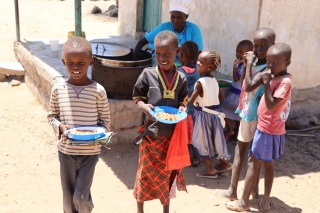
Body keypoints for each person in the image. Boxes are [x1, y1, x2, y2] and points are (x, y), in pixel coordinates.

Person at [226, 42, 292, 212]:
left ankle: (244, 202)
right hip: (267, 127)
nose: (270, 65)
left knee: (254, 164)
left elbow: (271, 105)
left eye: (275, 62)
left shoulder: (283, 82)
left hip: (268, 129)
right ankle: (265, 199)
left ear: (287, 63)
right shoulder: (276, 76)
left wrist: (265, 84)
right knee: (266, 163)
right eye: (269, 61)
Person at [47, 37, 111, 213]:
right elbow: (52, 116)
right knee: (68, 202)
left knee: (81, 198)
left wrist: (101, 135)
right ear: (63, 62)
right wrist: (61, 127)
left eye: (81, 62)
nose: (75, 67)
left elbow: (105, 121)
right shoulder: (58, 89)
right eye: (70, 63)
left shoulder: (98, 91)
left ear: (91, 62)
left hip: (89, 153)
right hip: (66, 152)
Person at [132, 30, 188, 213]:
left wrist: (182, 108)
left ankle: (166, 210)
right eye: (158, 54)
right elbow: (137, 97)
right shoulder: (148, 74)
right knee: (145, 175)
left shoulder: (181, 78)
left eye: (167, 54)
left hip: (171, 138)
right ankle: (140, 209)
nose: (162, 58)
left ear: (177, 51)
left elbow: (183, 100)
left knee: (167, 176)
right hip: (151, 135)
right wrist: (145, 107)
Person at [217, 27, 276, 201]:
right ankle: (232, 189)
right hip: (247, 111)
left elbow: (250, 86)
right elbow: (243, 83)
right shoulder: (256, 63)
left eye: (263, 46)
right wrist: (245, 66)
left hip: (259, 117)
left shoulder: (269, 68)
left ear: (272, 46)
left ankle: (254, 192)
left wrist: (248, 64)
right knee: (240, 150)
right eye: (256, 45)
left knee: (254, 156)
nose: (257, 50)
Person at [188, 50, 232, 179]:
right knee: (216, 139)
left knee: (201, 141)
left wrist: (186, 97)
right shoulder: (214, 81)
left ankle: (209, 169)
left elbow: (191, 101)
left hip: (203, 116)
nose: (197, 63)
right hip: (215, 114)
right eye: (198, 60)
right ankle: (224, 163)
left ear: (210, 67)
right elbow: (222, 98)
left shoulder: (200, 83)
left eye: (201, 62)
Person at [132, 0, 203, 61]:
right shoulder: (164, 27)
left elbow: (198, 53)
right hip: (165, 65)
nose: (175, 21)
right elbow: (142, 42)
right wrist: (133, 60)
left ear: (186, 17)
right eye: (173, 17)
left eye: (179, 18)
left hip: (187, 67)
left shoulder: (193, 30)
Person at [220, 40, 253, 142]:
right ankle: (237, 133)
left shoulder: (246, 67)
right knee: (238, 115)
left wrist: (234, 67)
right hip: (235, 93)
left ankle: (230, 130)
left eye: (241, 52)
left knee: (222, 109)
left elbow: (235, 78)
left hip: (238, 96)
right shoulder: (241, 65)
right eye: (237, 51)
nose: (238, 54)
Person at [178, 40, 200, 167]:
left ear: (181, 56)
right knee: (194, 135)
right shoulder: (199, 71)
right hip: (197, 111)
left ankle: (184, 156)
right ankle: (195, 157)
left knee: (184, 135)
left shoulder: (178, 72)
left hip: (183, 111)